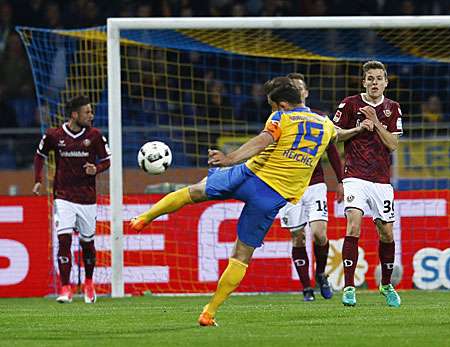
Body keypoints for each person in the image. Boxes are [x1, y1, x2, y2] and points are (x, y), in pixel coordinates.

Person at [130, 77, 372, 326]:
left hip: (247, 175)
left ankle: (144, 218)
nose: (272, 110)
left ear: (283, 104)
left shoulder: (282, 118)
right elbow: (338, 135)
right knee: (241, 256)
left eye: (272, 105)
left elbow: (261, 141)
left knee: (195, 192)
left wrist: (229, 158)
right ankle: (209, 312)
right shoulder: (324, 123)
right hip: (271, 198)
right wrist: (357, 130)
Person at [333, 60, 403, 307]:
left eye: (379, 78)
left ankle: (386, 284)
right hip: (354, 176)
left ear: (386, 81)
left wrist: (376, 120)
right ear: (364, 82)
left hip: (381, 180)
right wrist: (357, 128)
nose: (374, 83)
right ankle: (349, 287)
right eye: (370, 78)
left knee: (386, 232)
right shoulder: (350, 104)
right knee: (353, 224)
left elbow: (393, 144)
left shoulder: (393, 107)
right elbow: (334, 134)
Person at [33, 95, 111, 304]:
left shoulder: (94, 136)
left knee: (87, 243)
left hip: (87, 198)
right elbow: (40, 155)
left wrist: (96, 168)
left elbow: (107, 160)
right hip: (63, 196)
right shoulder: (54, 135)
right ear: (75, 115)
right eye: (87, 112)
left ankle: (88, 283)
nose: (91, 115)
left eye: (91, 111)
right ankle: (66, 288)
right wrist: (38, 180)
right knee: (64, 239)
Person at [277, 73, 344, 301]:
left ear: (305, 92)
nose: (297, 91)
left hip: (315, 184)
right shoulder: (279, 120)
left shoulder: (319, 119)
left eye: (299, 87)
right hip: (288, 187)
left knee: (319, 234)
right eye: (292, 88)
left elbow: (332, 151)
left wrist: (341, 181)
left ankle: (321, 274)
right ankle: (307, 287)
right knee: (297, 237)